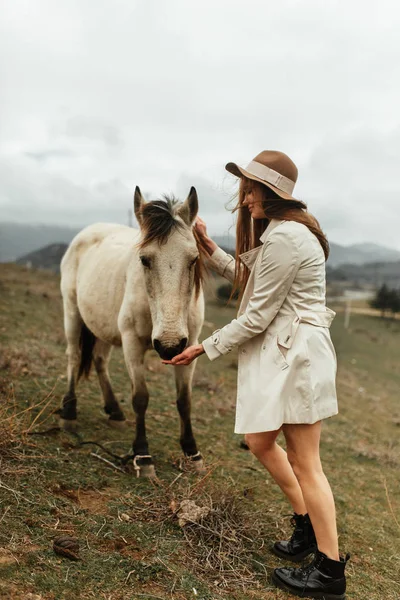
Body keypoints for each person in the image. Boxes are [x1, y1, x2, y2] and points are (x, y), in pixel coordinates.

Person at [162, 150, 349, 599]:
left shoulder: (287, 238)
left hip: (297, 358)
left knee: (307, 463)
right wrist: (209, 249)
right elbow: (253, 282)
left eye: (249, 190)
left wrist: (205, 346)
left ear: (270, 192)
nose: (244, 200)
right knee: (261, 441)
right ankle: (306, 528)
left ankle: (329, 572)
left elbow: (257, 315)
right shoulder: (284, 234)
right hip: (288, 355)